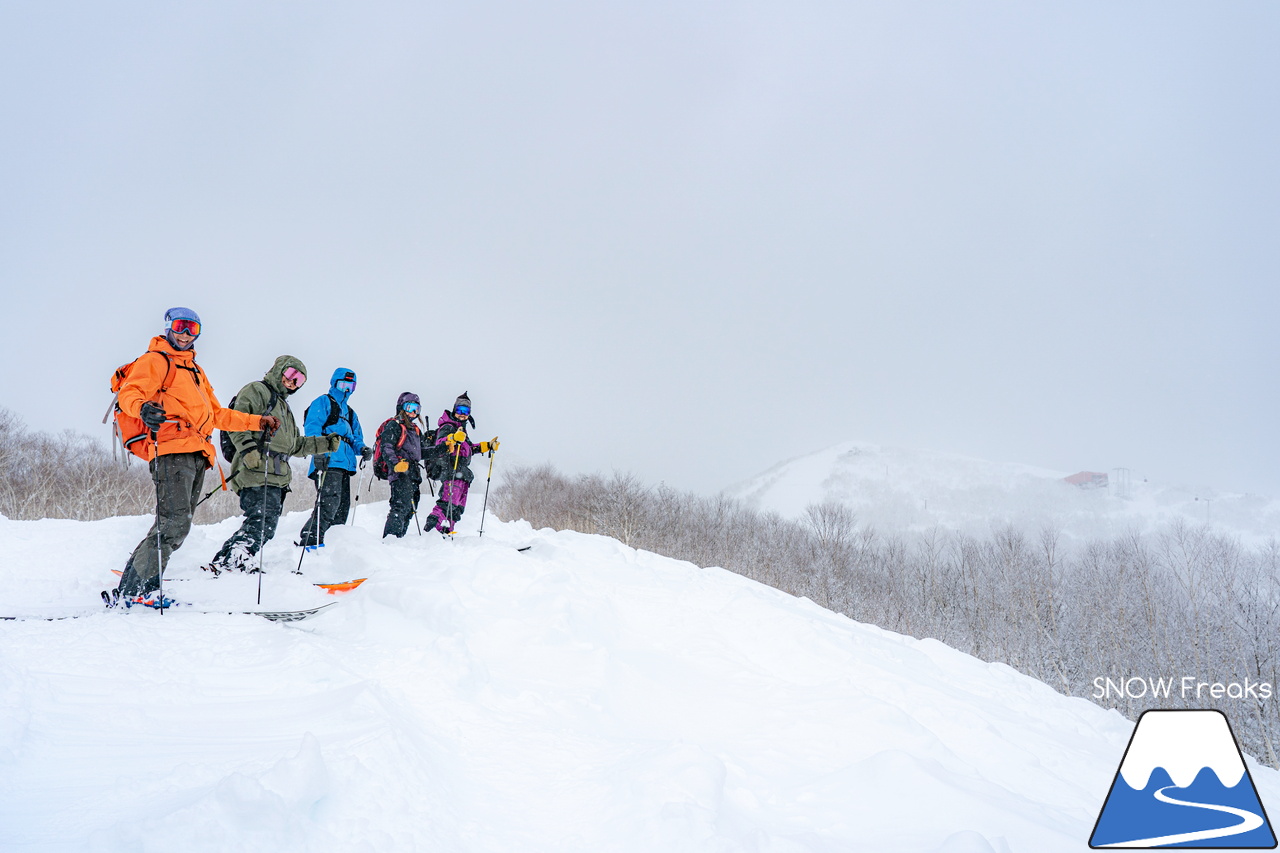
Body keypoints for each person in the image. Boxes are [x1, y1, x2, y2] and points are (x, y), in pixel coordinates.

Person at [107, 307, 279, 607]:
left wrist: (256, 422)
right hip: (172, 450)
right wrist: (143, 409)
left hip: (197, 452)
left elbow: (217, 415)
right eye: (180, 326)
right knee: (174, 523)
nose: (186, 334)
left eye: (193, 329)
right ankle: (137, 590)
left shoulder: (196, 372)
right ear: (168, 328)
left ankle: (135, 586)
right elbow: (130, 393)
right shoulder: (156, 361)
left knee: (175, 524)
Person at [203, 356, 340, 574]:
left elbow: (295, 445)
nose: (293, 382)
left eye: (299, 380)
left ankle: (229, 559)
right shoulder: (257, 391)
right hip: (256, 469)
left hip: (277, 473)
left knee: (266, 523)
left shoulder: (284, 408)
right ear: (278, 371)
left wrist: (324, 443)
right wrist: (248, 450)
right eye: (291, 375)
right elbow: (236, 422)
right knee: (261, 519)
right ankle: (235, 560)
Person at [297, 368, 371, 548]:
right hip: (328, 461)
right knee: (329, 502)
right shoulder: (323, 402)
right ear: (334, 383)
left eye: (350, 386)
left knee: (342, 507)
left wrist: (362, 449)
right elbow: (313, 427)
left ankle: (331, 546)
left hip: (345, 465)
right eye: (343, 384)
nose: (346, 389)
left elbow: (355, 438)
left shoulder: (351, 413)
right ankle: (310, 540)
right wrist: (319, 452)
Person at [423, 392, 498, 535]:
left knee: (457, 507)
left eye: (466, 411)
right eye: (460, 410)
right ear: (454, 410)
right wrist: (452, 438)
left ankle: (446, 531)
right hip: (451, 470)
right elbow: (440, 442)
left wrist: (488, 446)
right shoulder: (448, 426)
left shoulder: (462, 429)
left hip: (462, 473)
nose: (463, 414)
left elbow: (469, 449)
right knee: (447, 503)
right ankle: (432, 532)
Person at [380, 392, 427, 538]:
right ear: (401, 407)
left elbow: (422, 452)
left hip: (413, 473)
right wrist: (395, 464)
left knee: (411, 508)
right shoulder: (394, 425)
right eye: (409, 407)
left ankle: (399, 537)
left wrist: (444, 447)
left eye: (416, 409)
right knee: (400, 506)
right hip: (400, 472)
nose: (413, 412)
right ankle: (390, 539)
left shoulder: (415, 430)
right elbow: (386, 447)